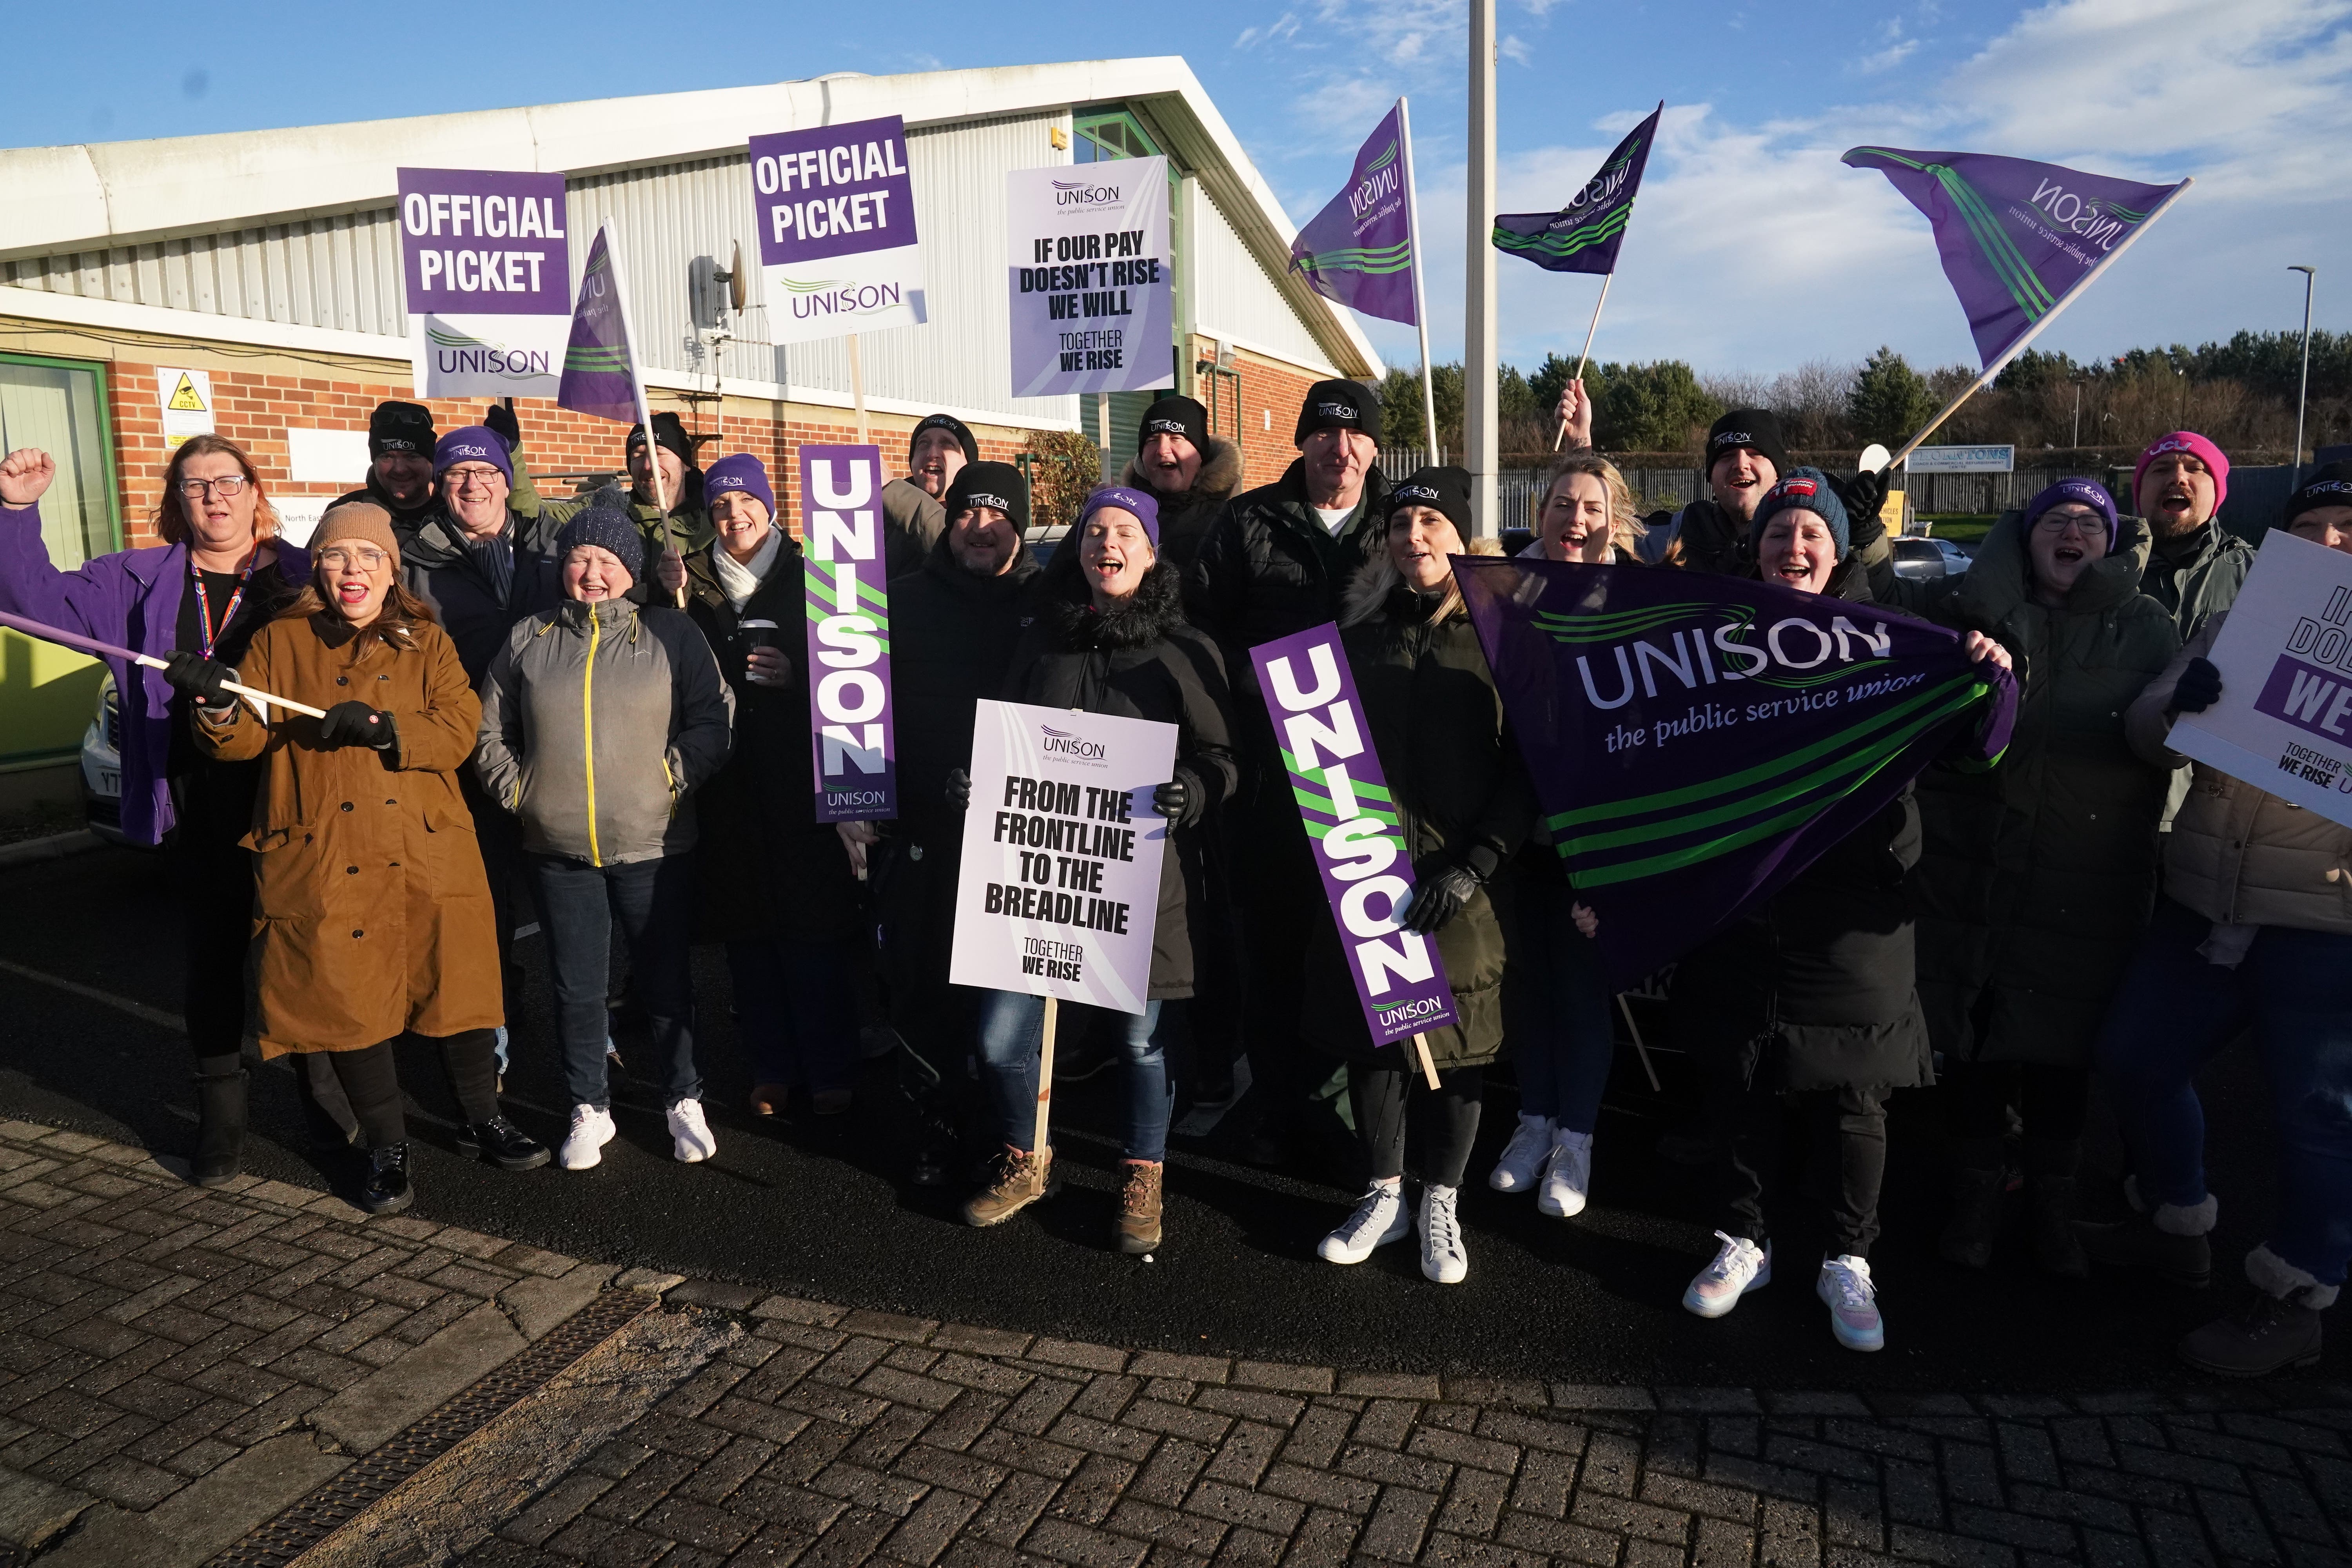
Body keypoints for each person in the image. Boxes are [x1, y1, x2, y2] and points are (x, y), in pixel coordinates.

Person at [1665, 470, 2016, 1352]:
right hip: (1746, 904)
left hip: (1857, 910)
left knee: (1856, 1100)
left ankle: (1847, 1257)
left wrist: (1993, 679)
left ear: (1837, 551)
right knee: (1740, 1081)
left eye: (1811, 535)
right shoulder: (1717, 639)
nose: (1794, 547)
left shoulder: (1896, 640)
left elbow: (1974, 751)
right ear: (1760, 547)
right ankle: (1745, 1238)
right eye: (1781, 533)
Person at [188, 503, 547, 1211]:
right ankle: (386, 1145)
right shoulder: (279, 640)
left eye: (369, 558)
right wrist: (219, 709)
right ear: (317, 567)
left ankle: (484, 1117)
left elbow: (458, 728)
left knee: (459, 989)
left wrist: (388, 730)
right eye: (337, 556)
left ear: (392, 571)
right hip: (323, 848)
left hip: (423, 847)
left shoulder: (425, 640)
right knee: (350, 1003)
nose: (353, 571)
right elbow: (244, 738)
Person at [2079, 464, 2352, 1377]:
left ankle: (2297, 1296)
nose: (2328, 544)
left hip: (2323, 918)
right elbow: (2146, 727)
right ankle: (2175, 1219)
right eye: (2311, 526)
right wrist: (2177, 709)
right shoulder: (2244, 622)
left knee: (2316, 1116)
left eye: (2346, 528)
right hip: (2202, 898)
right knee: (2135, 1057)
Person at [0, 436, 311, 1183]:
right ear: (176, 500)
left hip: (296, 799)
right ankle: (222, 1123)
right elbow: (32, 603)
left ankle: (327, 1112)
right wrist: (15, 511)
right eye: (195, 484)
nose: (214, 496)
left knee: (306, 955)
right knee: (213, 960)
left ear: (255, 493)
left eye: (229, 481)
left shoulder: (304, 574)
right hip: (196, 801)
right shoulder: (134, 581)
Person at [1900, 479, 2179, 1274]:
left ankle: (2056, 1208)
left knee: (2063, 1052)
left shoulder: (2148, 627)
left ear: (2111, 541)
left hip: (2081, 873)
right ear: (2024, 538)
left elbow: (2164, 734)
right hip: (1973, 861)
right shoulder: (1963, 611)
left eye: (2090, 523)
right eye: (2054, 519)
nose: (2072, 533)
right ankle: (1977, 1195)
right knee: (1976, 1041)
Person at [959, 485, 1237, 1253]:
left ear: (1150, 552)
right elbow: (1004, 737)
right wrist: (976, 783)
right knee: (998, 1041)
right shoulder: (1042, 640)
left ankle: (1143, 1169)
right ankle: (1028, 1154)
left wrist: (1198, 790)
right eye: (1092, 532)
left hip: (1143, 880)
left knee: (1141, 1044)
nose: (1105, 544)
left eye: (1123, 533)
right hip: (1038, 880)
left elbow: (1225, 758)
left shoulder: (1186, 650)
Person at [1307, 468, 1526, 1284]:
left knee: (1460, 1047)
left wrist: (1476, 866)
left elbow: (1526, 771)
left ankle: (1442, 1196)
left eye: (1434, 521)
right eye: (1402, 524)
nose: (1416, 537)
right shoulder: (1355, 634)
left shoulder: (1501, 637)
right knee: (1376, 1038)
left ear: (1464, 537)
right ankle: (1384, 1189)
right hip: (1368, 872)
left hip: (1462, 881)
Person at [474, 506, 735, 1171]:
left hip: (655, 844)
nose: (591, 572)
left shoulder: (670, 633)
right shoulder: (530, 636)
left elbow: (714, 717)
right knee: (576, 987)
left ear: (631, 573)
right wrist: (522, 793)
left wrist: (669, 782)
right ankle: (589, 1107)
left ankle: (684, 1097)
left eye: (607, 562)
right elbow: (489, 731)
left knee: (666, 982)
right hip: (558, 849)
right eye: (579, 559)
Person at [1188, 380, 1392, 1168]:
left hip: (1366, 780)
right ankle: (1276, 1105)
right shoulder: (1247, 522)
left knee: (1353, 947)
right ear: (1303, 441)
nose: (1339, 449)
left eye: (1355, 437)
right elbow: (1202, 630)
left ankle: (1343, 1108)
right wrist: (1256, 685)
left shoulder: (1394, 526)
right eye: (1325, 434)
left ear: (1373, 448)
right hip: (1269, 781)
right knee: (1270, 952)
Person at [658, 455, 864, 1118]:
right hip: (726, 787)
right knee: (748, 937)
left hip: (804, 782)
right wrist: (662, 594)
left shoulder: (824, 578)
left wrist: (798, 676)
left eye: (746, 501)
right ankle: (771, 1065)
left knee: (814, 933)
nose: (734, 515)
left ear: (770, 507)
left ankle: (829, 1066)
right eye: (720, 506)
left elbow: (861, 674)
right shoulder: (687, 581)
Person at [1489, 453, 1646, 1214]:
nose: (1574, 521)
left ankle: (1576, 1139)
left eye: (1590, 507)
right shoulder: (1505, 596)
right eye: (1560, 505)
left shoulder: (1640, 604)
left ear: (1615, 519)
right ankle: (1534, 1120)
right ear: (1539, 511)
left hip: (1598, 842)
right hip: (1519, 835)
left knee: (1583, 994)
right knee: (1529, 987)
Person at [878, 461, 1042, 1184]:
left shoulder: (1048, 602)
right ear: (948, 522)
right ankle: (939, 1125)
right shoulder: (902, 601)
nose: (981, 527)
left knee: (1003, 1005)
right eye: (968, 514)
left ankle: (1013, 1136)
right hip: (929, 828)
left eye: (998, 515)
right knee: (928, 991)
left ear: (1021, 523)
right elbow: (866, 712)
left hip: (1023, 842)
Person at [394, 425, 567, 1028]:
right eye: (458, 475)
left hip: (558, 752)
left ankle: (589, 1039)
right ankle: (494, 1028)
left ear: (506, 480)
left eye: (487, 472)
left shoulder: (554, 547)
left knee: (569, 903)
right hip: (467, 759)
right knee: (483, 903)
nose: (474, 485)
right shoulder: (413, 562)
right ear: (440, 487)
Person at [1117, 397, 1247, 1105]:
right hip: (1125, 731)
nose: (1166, 450)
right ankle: (1132, 1048)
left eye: (1180, 440)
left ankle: (1215, 1053)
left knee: (1208, 908)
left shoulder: (1232, 520)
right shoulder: (1115, 516)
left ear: (1204, 452)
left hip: (1203, 735)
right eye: (1154, 439)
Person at [1640, 411, 1890, 582]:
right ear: (1711, 476)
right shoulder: (1671, 536)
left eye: (1755, 454)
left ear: (1778, 473)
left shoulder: (1821, 541)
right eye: (1726, 456)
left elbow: (1882, 601)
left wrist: (1865, 538)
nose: (1741, 464)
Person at [510, 410, 710, 581]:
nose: (649, 466)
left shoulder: (716, 520)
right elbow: (534, 512)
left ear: (686, 463)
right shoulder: (604, 513)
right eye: (638, 456)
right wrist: (511, 454)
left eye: (658, 453)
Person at [2132, 430, 2252, 637]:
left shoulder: (2258, 575)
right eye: (2161, 470)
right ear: (2140, 492)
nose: (2178, 477)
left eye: (2195, 469)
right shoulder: (2099, 568)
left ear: (2217, 493)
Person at [1118, 394, 1245, 572]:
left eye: (1176, 438)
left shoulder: (1234, 520)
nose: (1162, 450)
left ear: (1201, 455)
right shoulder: (1121, 514)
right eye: (1152, 440)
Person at [880, 414, 974, 578]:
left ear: (968, 464)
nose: (933, 453)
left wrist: (892, 490)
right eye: (923, 444)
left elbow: (953, 546)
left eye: (948, 445)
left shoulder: (983, 515)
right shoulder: (884, 515)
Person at [331, 401, 440, 529]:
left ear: (432, 460)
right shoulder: (344, 513)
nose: (400, 469)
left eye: (412, 456)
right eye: (387, 457)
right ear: (375, 461)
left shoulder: (456, 511)